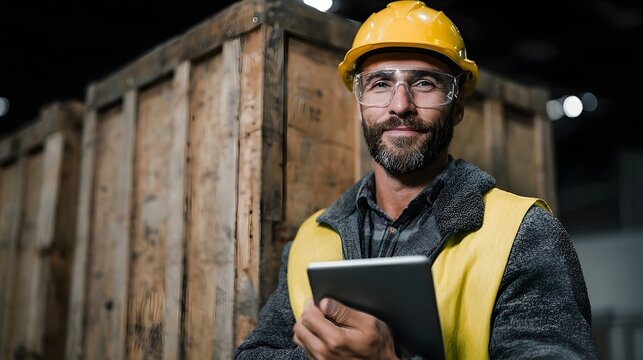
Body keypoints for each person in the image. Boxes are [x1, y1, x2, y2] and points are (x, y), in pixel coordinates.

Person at [235, 1, 598, 359]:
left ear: (457, 106)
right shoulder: (312, 238)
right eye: (380, 84)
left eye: (424, 83)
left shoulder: (523, 232)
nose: (400, 105)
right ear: (360, 104)